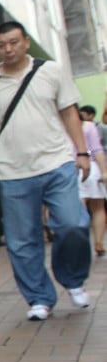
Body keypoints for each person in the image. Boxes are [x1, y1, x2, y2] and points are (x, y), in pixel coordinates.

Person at [0, 21, 91, 321]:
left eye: (13, 42)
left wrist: (81, 152)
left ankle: (73, 280)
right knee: (22, 241)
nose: (8, 49)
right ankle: (39, 298)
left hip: (57, 163)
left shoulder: (50, 71)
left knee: (72, 224)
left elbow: (69, 112)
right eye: (1, 44)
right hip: (13, 173)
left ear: (25, 42)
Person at [77, 105, 107, 257]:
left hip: (73, 169)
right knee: (98, 208)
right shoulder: (89, 126)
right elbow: (98, 149)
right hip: (93, 167)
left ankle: (81, 244)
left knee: (79, 210)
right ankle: (99, 242)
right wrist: (104, 171)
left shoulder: (62, 128)